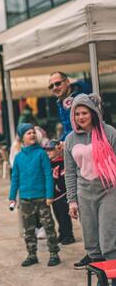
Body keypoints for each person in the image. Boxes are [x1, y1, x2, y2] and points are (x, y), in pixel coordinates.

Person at [65, 94, 116, 273]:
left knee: (108, 237)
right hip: (84, 192)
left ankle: (113, 276)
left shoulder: (108, 132)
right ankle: (100, 277)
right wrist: (72, 201)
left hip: (108, 190)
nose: (81, 117)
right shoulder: (70, 139)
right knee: (91, 240)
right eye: (77, 114)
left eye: (84, 113)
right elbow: (70, 173)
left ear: (93, 113)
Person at [9, 123, 60, 267]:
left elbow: (48, 176)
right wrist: (12, 197)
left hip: (42, 197)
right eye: (28, 133)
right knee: (29, 229)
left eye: (33, 132)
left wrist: (50, 195)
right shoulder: (18, 157)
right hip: (25, 198)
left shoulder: (41, 154)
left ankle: (54, 253)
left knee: (48, 226)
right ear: (22, 138)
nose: (32, 135)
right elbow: (15, 178)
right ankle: (32, 255)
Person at [43, 139, 75, 245]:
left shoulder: (63, 162)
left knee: (64, 216)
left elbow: (64, 177)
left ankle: (69, 235)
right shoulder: (49, 163)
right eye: (46, 150)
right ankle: (62, 233)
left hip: (62, 194)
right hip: (54, 196)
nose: (48, 152)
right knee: (57, 215)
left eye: (51, 149)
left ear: (57, 149)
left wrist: (59, 187)